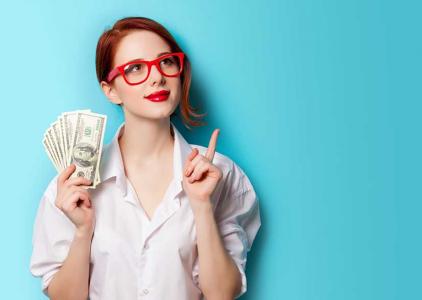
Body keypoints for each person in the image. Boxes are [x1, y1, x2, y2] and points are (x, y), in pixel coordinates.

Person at [30, 16, 261, 300]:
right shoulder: (71, 186)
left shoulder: (221, 174)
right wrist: (82, 231)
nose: (157, 77)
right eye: (135, 68)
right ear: (110, 90)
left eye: (166, 62)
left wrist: (202, 206)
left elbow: (222, 294)